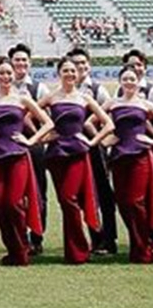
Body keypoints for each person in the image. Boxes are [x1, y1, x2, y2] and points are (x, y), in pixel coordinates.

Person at [38, 55, 115, 264]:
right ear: (59, 73)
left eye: (73, 70)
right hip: (56, 155)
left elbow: (108, 124)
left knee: (70, 199)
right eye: (66, 70)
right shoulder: (51, 97)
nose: (70, 74)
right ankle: (75, 250)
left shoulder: (85, 98)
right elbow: (28, 116)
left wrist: (92, 142)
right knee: (65, 202)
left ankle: (79, 250)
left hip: (79, 153)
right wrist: (43, 136)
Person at [0, 57, 51, 266]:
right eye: (2, 72)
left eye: (9, 73)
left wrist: (31, 141)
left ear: (14, 75)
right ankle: (12, 250)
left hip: (18, 155)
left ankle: (22, 249)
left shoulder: (23, 98)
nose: (6, 76)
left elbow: (48, 123)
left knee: (14, 203)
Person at [71, 47, 120, 255]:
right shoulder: (66, 90)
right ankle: (95, 238)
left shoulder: (98, 90)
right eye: (76, 63)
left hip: (95, 148)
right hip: (74, 149)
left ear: (89, 65)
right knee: (83, 195)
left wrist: (99, 141)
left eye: (83, 63)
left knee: (103, 193)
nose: (80, 67)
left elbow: (111, 120)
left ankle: (109, 239)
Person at [103, 65, 153, 263]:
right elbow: (89, 121)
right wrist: (103, 139)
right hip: (118, 157)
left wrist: (151, 140)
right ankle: (137, 243)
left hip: (140, 156)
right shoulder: (112, 103)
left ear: (138, 82)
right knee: (123, 202)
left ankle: (144, 248)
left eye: (132, 79)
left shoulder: (145, 104)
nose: (129, 82)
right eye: (125, 79)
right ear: (120, 82)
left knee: (136, 201)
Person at [7, 43, 49, 255]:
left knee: (38, 191)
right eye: (17, 60)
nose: (21, 64)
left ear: (30, 63)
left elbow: (51, 120)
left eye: (24, 60)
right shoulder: (2, 87)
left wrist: (36, 139)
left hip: (34, 147)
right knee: (16, 194)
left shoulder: (39, 88)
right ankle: (20, 236)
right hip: (10, 147)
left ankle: (37, 238)